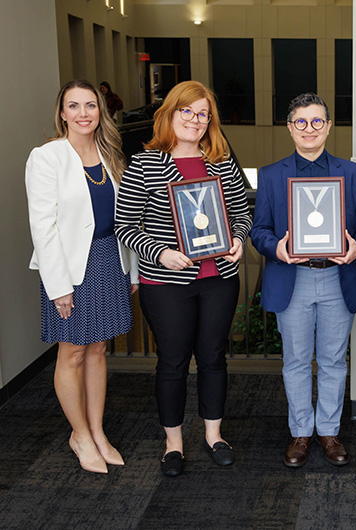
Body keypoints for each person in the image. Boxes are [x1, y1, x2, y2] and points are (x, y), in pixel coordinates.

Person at [115, 80, 251, 477]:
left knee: (213, 358)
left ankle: (214, 435)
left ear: (211, 120)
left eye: (202, 113)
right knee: (172, 362)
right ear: (170, 114)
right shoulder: (145, 164)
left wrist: (239, 240)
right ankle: (173, 444)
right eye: (186, 111)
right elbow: (125, 226)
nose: (194, 120)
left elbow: (243, 212)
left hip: (219, 277)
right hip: (166, 283)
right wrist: (162, 253)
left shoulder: (221, 162)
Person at [251, 93, 356, 468]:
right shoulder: (272, 175)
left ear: (328, 126)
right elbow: (259, 231)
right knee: (297, 361)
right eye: (301, 122)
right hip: (293, 278)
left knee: (335, 360)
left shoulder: (352, 173)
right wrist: (278, 249)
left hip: (338, 277)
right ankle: (301, 432)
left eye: (316, 121)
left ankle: (329, 431)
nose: (309, 129)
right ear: (290, 128)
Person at [25, 79, 138, 474]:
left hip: (109, 258)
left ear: (100, 111)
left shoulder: (109, 154)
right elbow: (43, 227)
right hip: (70, 266)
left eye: (90, 105)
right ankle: (80, 435)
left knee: (98, 349)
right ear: (62, 113)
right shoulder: (47, 157)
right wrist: (59, 287)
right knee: (72, 351)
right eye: (74, 106)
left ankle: (98, 430)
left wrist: (133, 268)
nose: (83, 113)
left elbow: (124, 220)